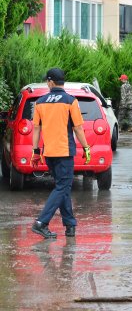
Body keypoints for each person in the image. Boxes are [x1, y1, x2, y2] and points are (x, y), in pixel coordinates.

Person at [30, 68, 91, 239]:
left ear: (50, 82)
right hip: (64, 152)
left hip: (49, 152)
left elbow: (36, 128)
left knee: (62, 188)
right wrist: (86, 147)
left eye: (46, 81)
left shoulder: (40, 102)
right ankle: (41, 222)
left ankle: (70, 225)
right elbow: (78, 128)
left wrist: (35, 151)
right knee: (63, 187)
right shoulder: (70, 101)